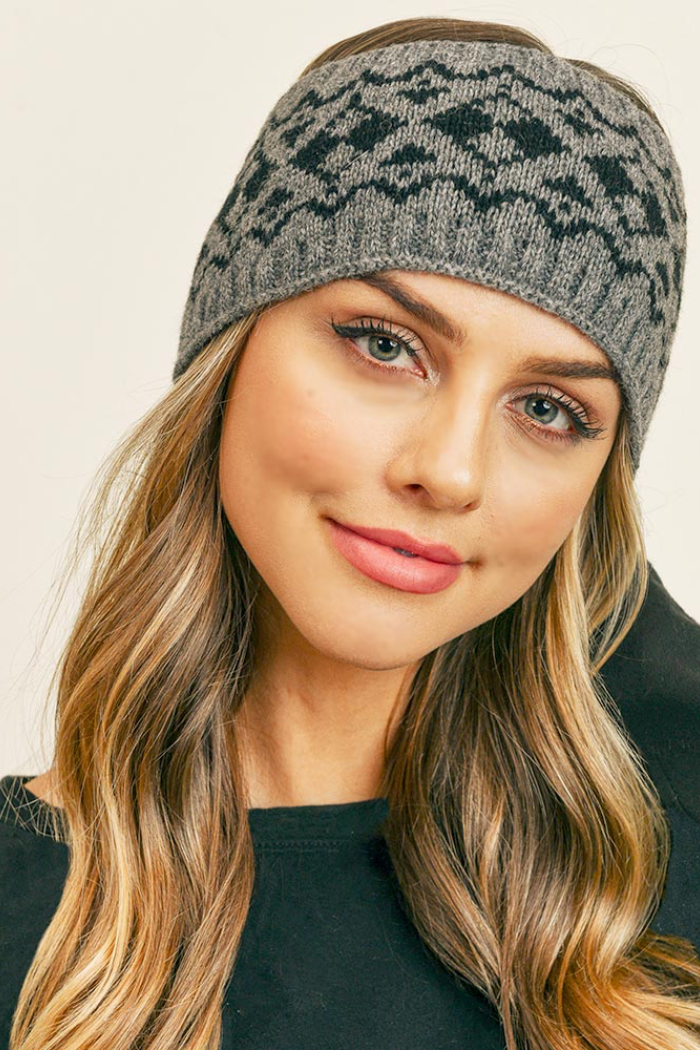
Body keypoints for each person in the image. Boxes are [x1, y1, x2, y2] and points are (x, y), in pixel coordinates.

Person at [1, 15, 699, 1050]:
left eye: (549, 409)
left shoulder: (657, 896)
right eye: (383, 345)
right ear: (229, 347)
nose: (450, 470)